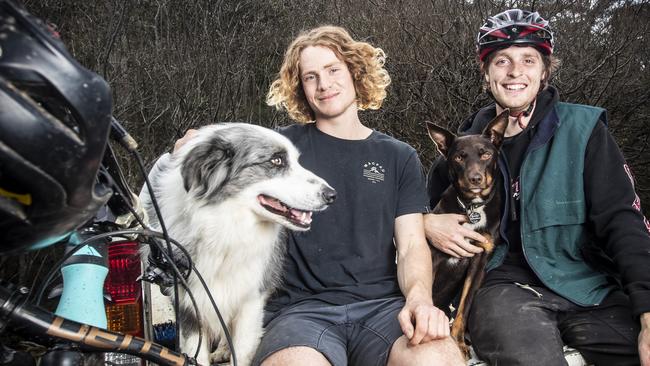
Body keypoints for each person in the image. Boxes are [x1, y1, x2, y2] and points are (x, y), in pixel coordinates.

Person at [425, 9, 650, 366]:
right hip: (500, 292)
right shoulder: (461, 152)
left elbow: (624, 222)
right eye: (502, 61)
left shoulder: (585, 130)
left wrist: (647, 309)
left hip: (585, 287)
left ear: (544, 71)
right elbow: (418, 218)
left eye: (528, 60)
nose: (515, 72)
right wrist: (426, 222)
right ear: (486, 74)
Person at [251, 25, 465, 366]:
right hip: (300, 313)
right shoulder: (280, 149)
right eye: (311, 76)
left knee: (438, 357)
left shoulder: (399, 156)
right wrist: (194, 145)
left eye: (333, 70)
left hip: (381, 309)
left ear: (355, 71)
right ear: (301, 88)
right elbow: (228, 161)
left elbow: (410, 245)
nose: (324, 84)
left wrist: (421, 300)